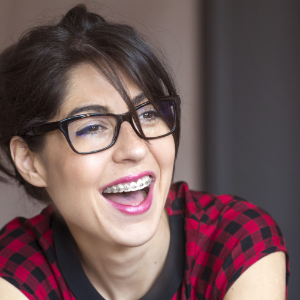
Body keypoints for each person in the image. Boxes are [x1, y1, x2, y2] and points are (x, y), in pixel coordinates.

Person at [0, 4, 288, 300]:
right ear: (30, 161)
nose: (135, 148)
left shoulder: (235, 239)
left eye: (148, 114)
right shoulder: (15, 268)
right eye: (92, 127)